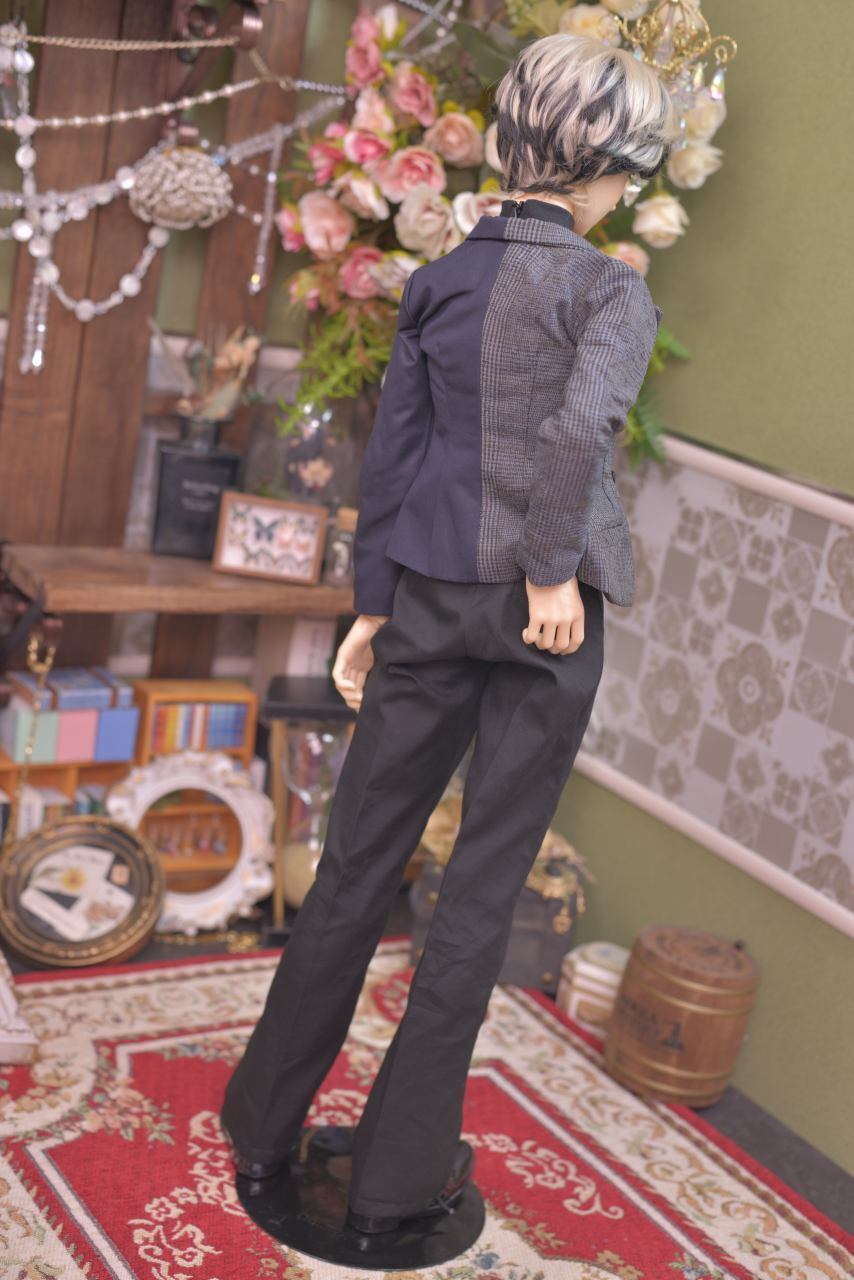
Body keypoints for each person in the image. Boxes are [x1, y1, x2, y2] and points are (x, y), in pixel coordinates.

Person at [220, 32, 679, 1236]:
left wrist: (371, 603)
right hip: (542, 614)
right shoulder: (608, 288)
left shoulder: (436, 281)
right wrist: (549, 575)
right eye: (627, 166)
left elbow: (395, 452)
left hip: (424, 592)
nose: (625, 186)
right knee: (476, 892)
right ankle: (393, 1184)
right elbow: (576, 434)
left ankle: (260, 1129)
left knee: (354, 864)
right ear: (601, 164)